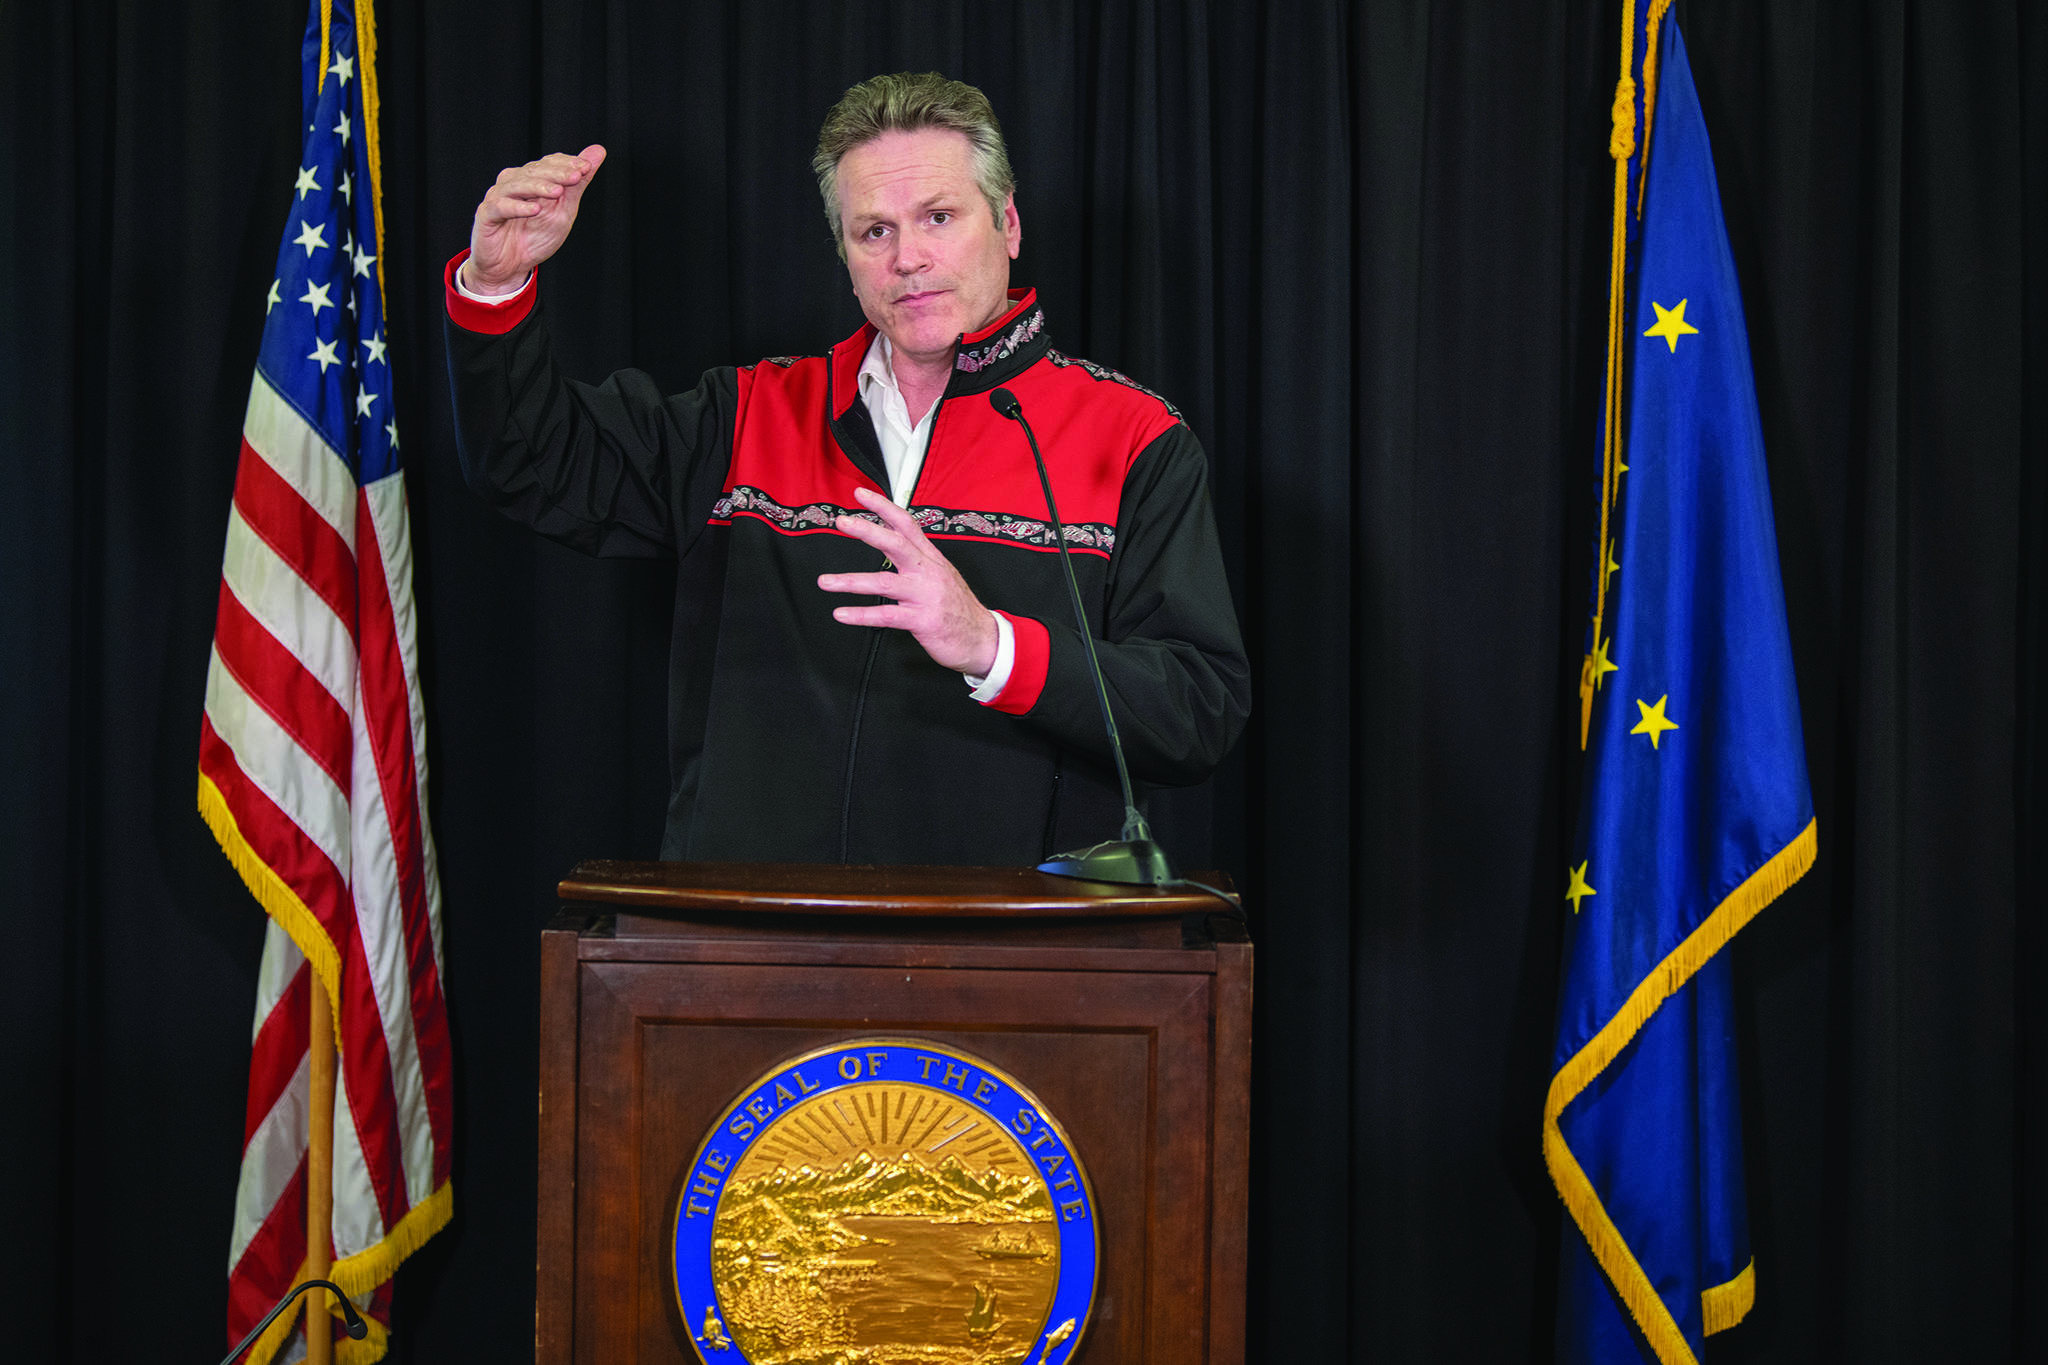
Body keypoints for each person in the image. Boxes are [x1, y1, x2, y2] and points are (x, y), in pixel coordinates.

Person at [444, 72, 1249, 866]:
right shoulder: (747, 415)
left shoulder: (1134, 436)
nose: (908, 258)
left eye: (938, 217)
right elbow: (531, 463)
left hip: (1011, 962)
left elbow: (1196, 711)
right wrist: (495, 284)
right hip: (748, 950)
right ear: (846, 253)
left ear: (1006, 223)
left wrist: (988, 644)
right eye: (875, 231)